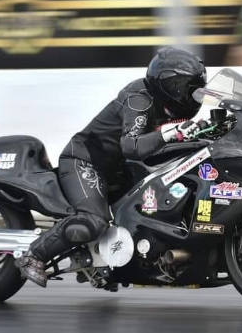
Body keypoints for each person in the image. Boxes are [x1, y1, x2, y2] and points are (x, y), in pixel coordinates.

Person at [15, 47, 209, 287]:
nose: (192, 97)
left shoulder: (168, 105)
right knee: (92, 221)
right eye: (189, 89)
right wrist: (171, 133)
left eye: (197, 90)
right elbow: (131, 145)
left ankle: (116, 264)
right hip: (85, 161)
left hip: (118, 169)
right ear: (171, 85)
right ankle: (33, 255)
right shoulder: (139, 100)